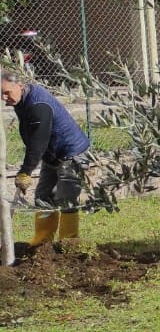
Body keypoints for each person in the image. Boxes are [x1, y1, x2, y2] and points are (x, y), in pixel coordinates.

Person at [2, 69, 92, 248]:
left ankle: (69, 243)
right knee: (43, 196)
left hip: (72, 153)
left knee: (66, 198)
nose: (4, 98)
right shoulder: (22, 99)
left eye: (6, 92)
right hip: (52, 153)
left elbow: (38, 142)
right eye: (0, 94)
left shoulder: (38, 105)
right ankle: (42, 243)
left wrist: (25, 172)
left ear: (19, 85)